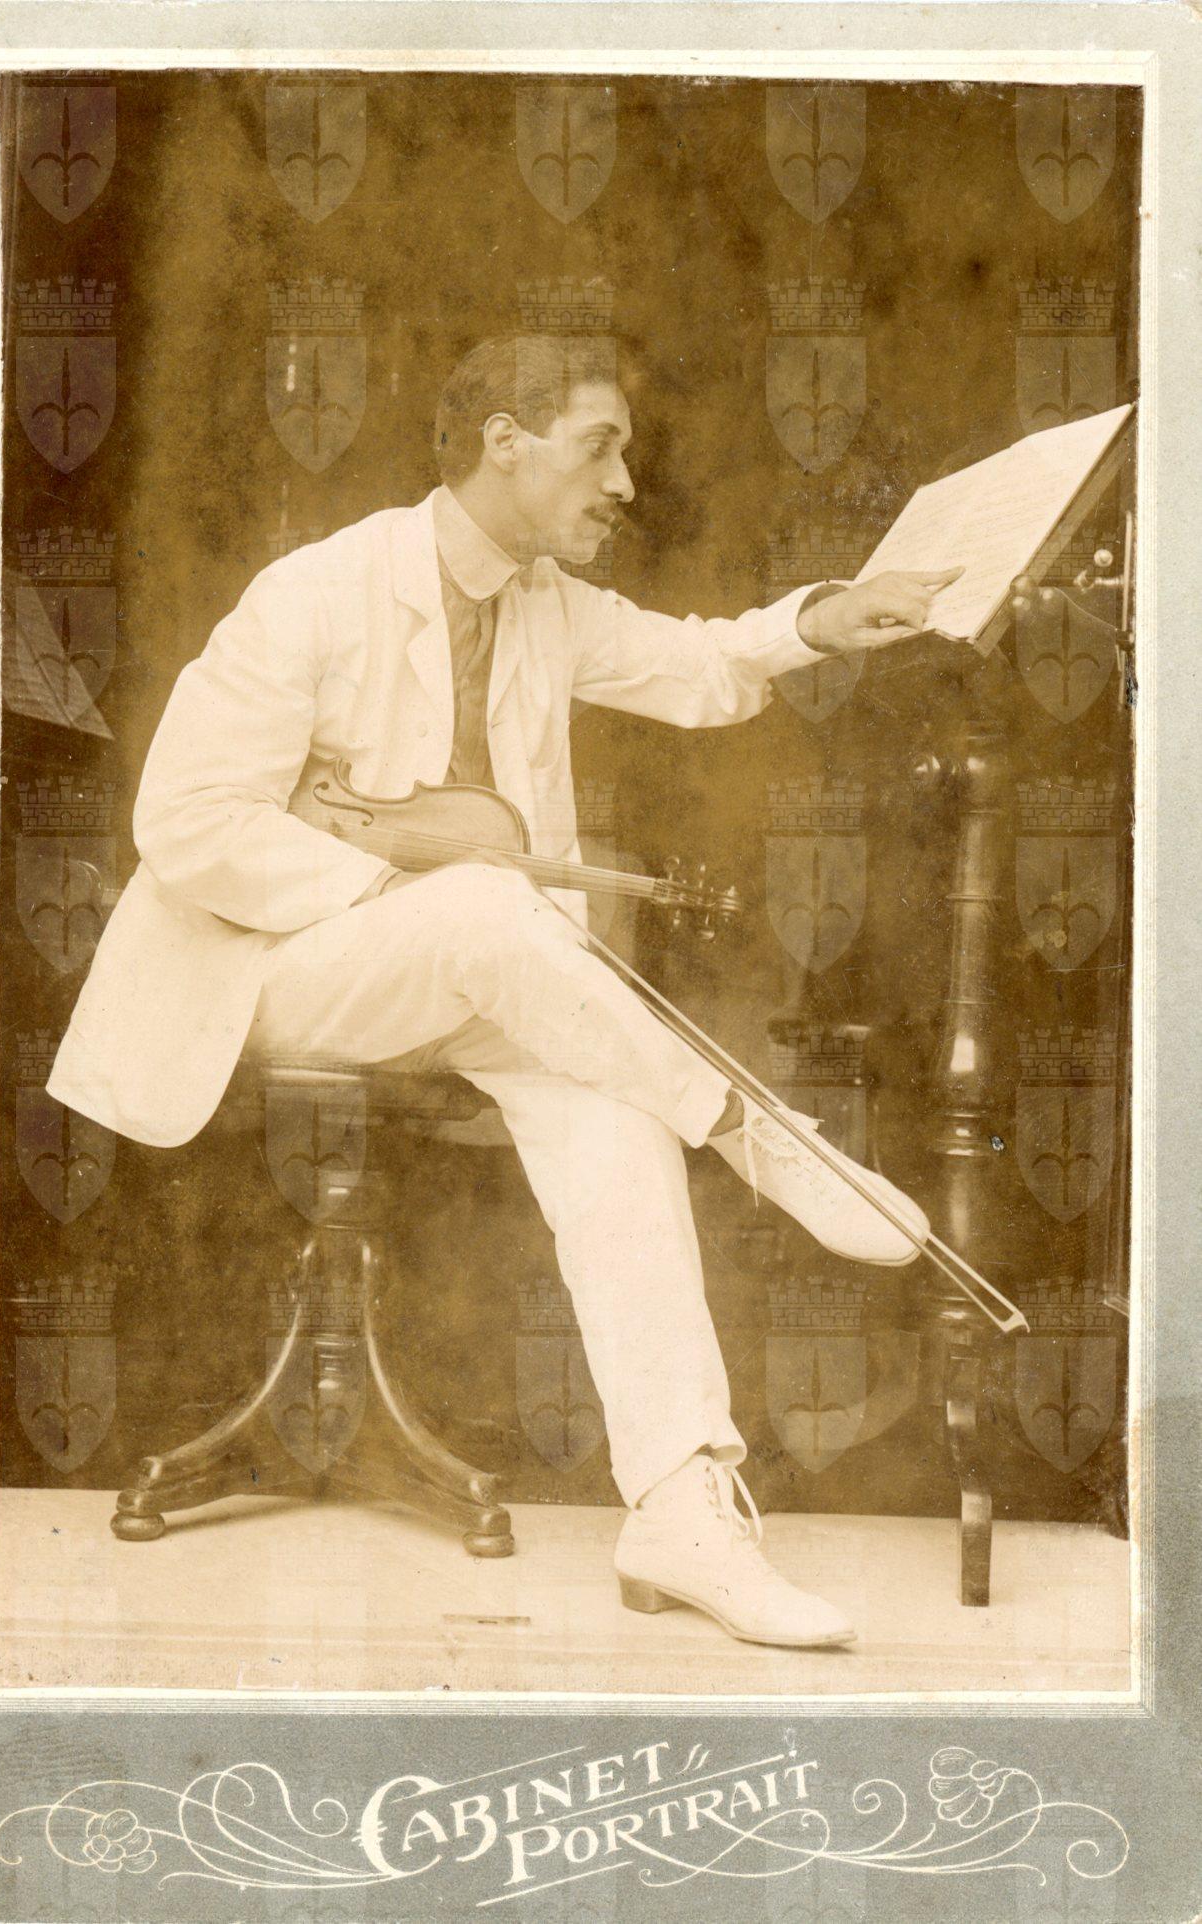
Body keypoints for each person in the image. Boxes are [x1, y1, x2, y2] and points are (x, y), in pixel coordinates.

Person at [48, 335, 961, 1650]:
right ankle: (758, 1137)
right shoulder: (317, 591)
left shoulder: (546, 603)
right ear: (504, 443)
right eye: (599, 447)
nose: (624, 481)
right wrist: (392, 888)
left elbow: (699, 664)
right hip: (255, 972)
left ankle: (681, 1505)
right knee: (485, 908)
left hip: (483, 970)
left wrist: (823, 618)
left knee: (612, 1102)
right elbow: (183, 822)